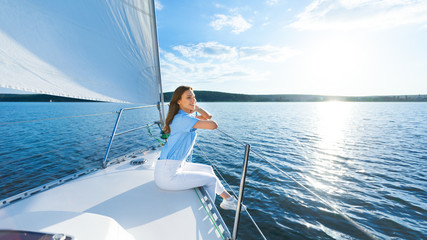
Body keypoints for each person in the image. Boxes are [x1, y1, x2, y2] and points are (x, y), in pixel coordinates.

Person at [154, 86, 245, 211]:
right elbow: (213, 125)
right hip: (167, 175)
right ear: (179, 101)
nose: (193, 100)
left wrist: (195, 108)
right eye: (189, 97)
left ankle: (229, 200)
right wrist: (196, 108)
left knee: (208, 169)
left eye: (194, 97)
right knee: (211, 180)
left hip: (173, 166)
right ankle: (209, 213)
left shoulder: (185, 116)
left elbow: (208, 116)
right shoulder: (182, 119)